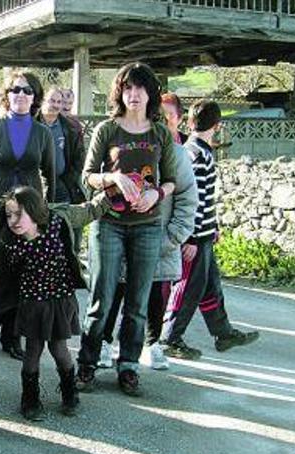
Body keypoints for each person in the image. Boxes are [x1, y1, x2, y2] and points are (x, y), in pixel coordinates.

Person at [75, 62, 177, 397]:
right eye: (127, 88)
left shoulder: (160, 132)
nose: (133, 95)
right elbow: (86, 175)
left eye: (140, 88)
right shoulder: (107, 129)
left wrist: (156, 193)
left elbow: (173, 180)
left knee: (137, 301)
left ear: (151, 93)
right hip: (109, 223)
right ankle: (87, 364)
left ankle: (129, 366)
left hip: (147, 225)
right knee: (101, 299)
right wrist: (112, 177)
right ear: (120, 92)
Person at [0, 187, 109, 420]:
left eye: (19, 214)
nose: (13, 221)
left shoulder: (58, 223)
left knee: (60, 349)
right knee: (33, 350)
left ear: (35, 210)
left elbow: (89, 211)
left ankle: (70, 393)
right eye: (9, 215)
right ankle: (29, 399)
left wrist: (112, 194)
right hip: (32, 305)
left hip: (59, 301)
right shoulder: (12, 243)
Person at [97, 93, 199, 371]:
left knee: (155, 296)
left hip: (159, 238)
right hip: (121, 231)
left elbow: (188, 199)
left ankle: (151, 345)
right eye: (158, 116)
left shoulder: (177, 155)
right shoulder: (122, 143)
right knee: (113, 292)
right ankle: (105, 343)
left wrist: (172, 238)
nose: (161, 122)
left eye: (167, 118)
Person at [160, 100, 259, 358]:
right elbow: (192, 198)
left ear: (190, 122)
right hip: (194, 237)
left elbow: (205, 199)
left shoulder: (198, 150)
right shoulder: (196, 154)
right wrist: (191, 237)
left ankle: (222, 331)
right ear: (217, 125)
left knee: (210, 285)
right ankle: (169, 337)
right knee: (188, 286)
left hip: (202, 233)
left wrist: (211, 227)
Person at [0, 70, 55, 360]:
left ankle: (11, 335)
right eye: (15, 90)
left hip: (30, 214)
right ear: (7, 96)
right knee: (4, 272)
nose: (21, 94)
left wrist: (47, 214)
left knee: (24, 277)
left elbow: (51, 176)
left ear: (35, 97)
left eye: (27, 90)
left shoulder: (43, 133)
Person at [36, 87, 86, 205]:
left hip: (61, 183)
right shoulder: (30, 125)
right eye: (52, 101)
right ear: (43, 101)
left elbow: (79, 157)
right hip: (34, 184)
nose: (56, 105)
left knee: (63, 219)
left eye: (59, 102)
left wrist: (68, 179)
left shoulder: (70, 128)